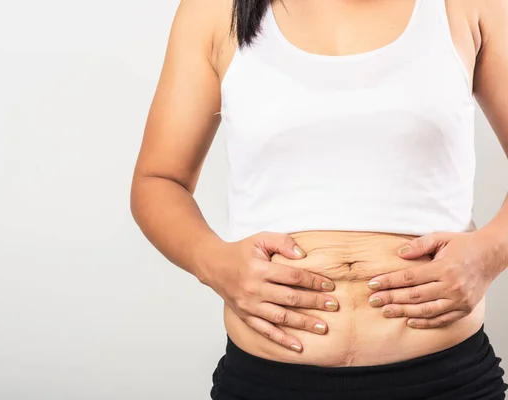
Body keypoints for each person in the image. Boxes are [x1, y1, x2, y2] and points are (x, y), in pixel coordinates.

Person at [130, 0, 508, 398]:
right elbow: (158, 179)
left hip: (445, 380)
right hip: (268, 381)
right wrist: (214, 263)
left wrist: (490, 251)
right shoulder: (214, 11)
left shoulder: (470, 5)